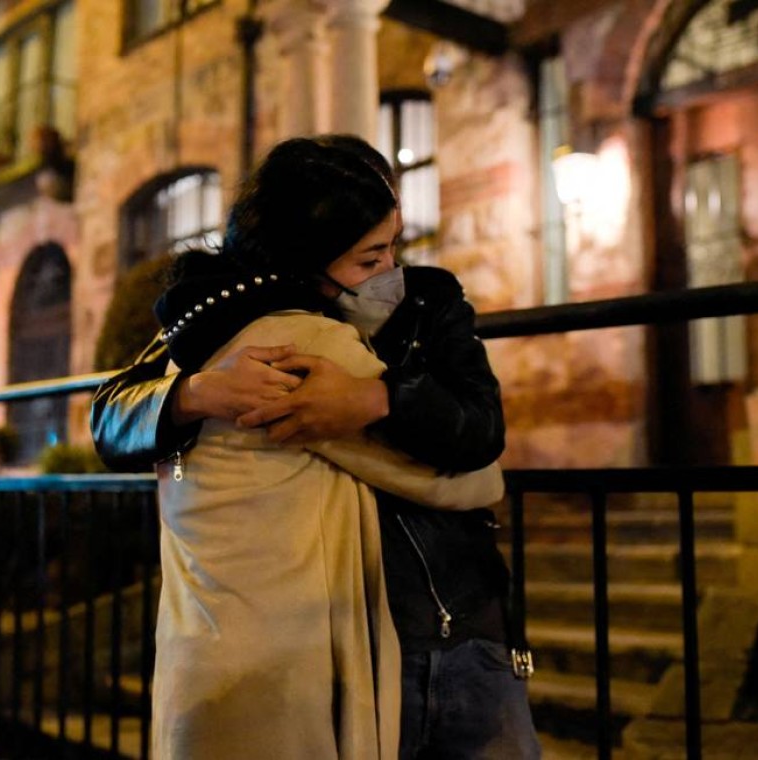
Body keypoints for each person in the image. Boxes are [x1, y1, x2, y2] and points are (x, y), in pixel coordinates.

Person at [92, 135, 541, 758]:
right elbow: (111, 413)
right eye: (369, 256)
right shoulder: (263, 335)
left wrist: (379, 401)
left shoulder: (429, 303)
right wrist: (196, 393)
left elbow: (480, 425)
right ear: (306, 258)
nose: (388, 269)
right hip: (355, 626)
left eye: (392, 246)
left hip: (447, 612)